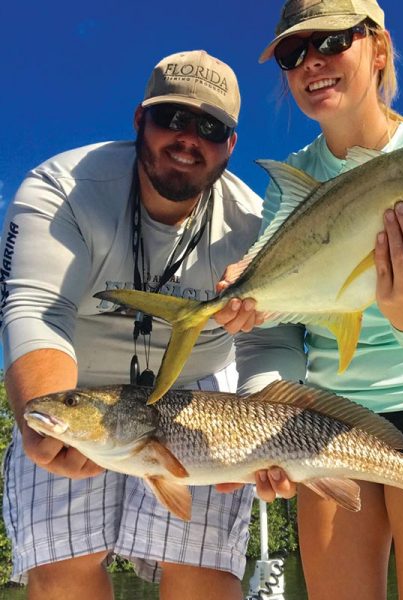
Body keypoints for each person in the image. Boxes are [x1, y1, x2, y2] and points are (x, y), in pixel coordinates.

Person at [0, 50, 303, 600]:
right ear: (140, 119)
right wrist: (44, 413)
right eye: (173, 118)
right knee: (61, 570)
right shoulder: (59, 188)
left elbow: (273, 340)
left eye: (211, 127)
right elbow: (34, 309)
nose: (189, 138)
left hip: (201, 399)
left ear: (231, 145)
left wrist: (263, 435)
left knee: (202, 577)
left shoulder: (257, 227)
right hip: (74, 386)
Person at [250, 2, 403, 598]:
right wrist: (265, 411)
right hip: (324, 421)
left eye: (331, 42)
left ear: (378, 48)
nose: (312, 63)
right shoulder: (291, 180)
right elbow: (277, 329)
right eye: (292, 53)